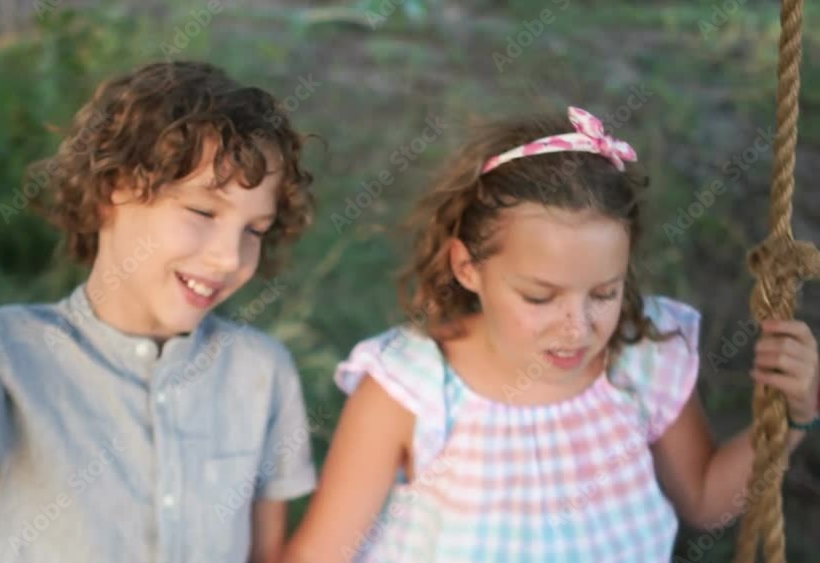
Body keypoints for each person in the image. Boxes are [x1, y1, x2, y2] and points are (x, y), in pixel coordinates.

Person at [0, 60, 319, 563]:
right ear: (112, 191)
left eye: (254, 230)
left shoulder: (261, 373)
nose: (230, 257)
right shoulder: (0, 358)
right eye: (202, 212)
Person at [283, 107, 819, 562]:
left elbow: (706, 503)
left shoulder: (642, 356)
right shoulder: (410, 391)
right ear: (468, 268)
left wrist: (791, 416)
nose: (578, 327)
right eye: (540, 298)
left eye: (604, 293)